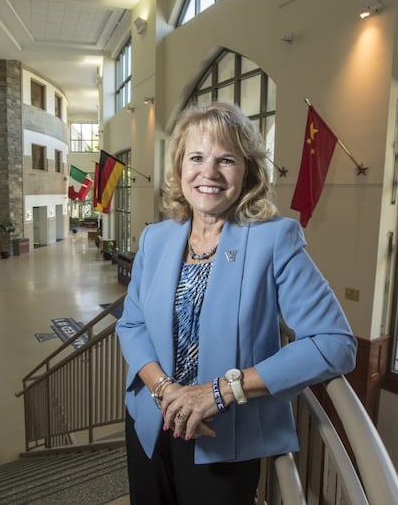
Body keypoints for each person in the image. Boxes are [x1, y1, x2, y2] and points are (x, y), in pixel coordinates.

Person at [116, 102, 357, 504]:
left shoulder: (275, 239)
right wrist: (164, 391)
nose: (208, 173)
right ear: (179, 167)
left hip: (223, 437)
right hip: (149, 419)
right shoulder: (156, 238)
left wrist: (219, 392)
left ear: (247, 172)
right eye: (196, 157)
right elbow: (132, 325)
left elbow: (335, 344)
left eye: (225, 159)